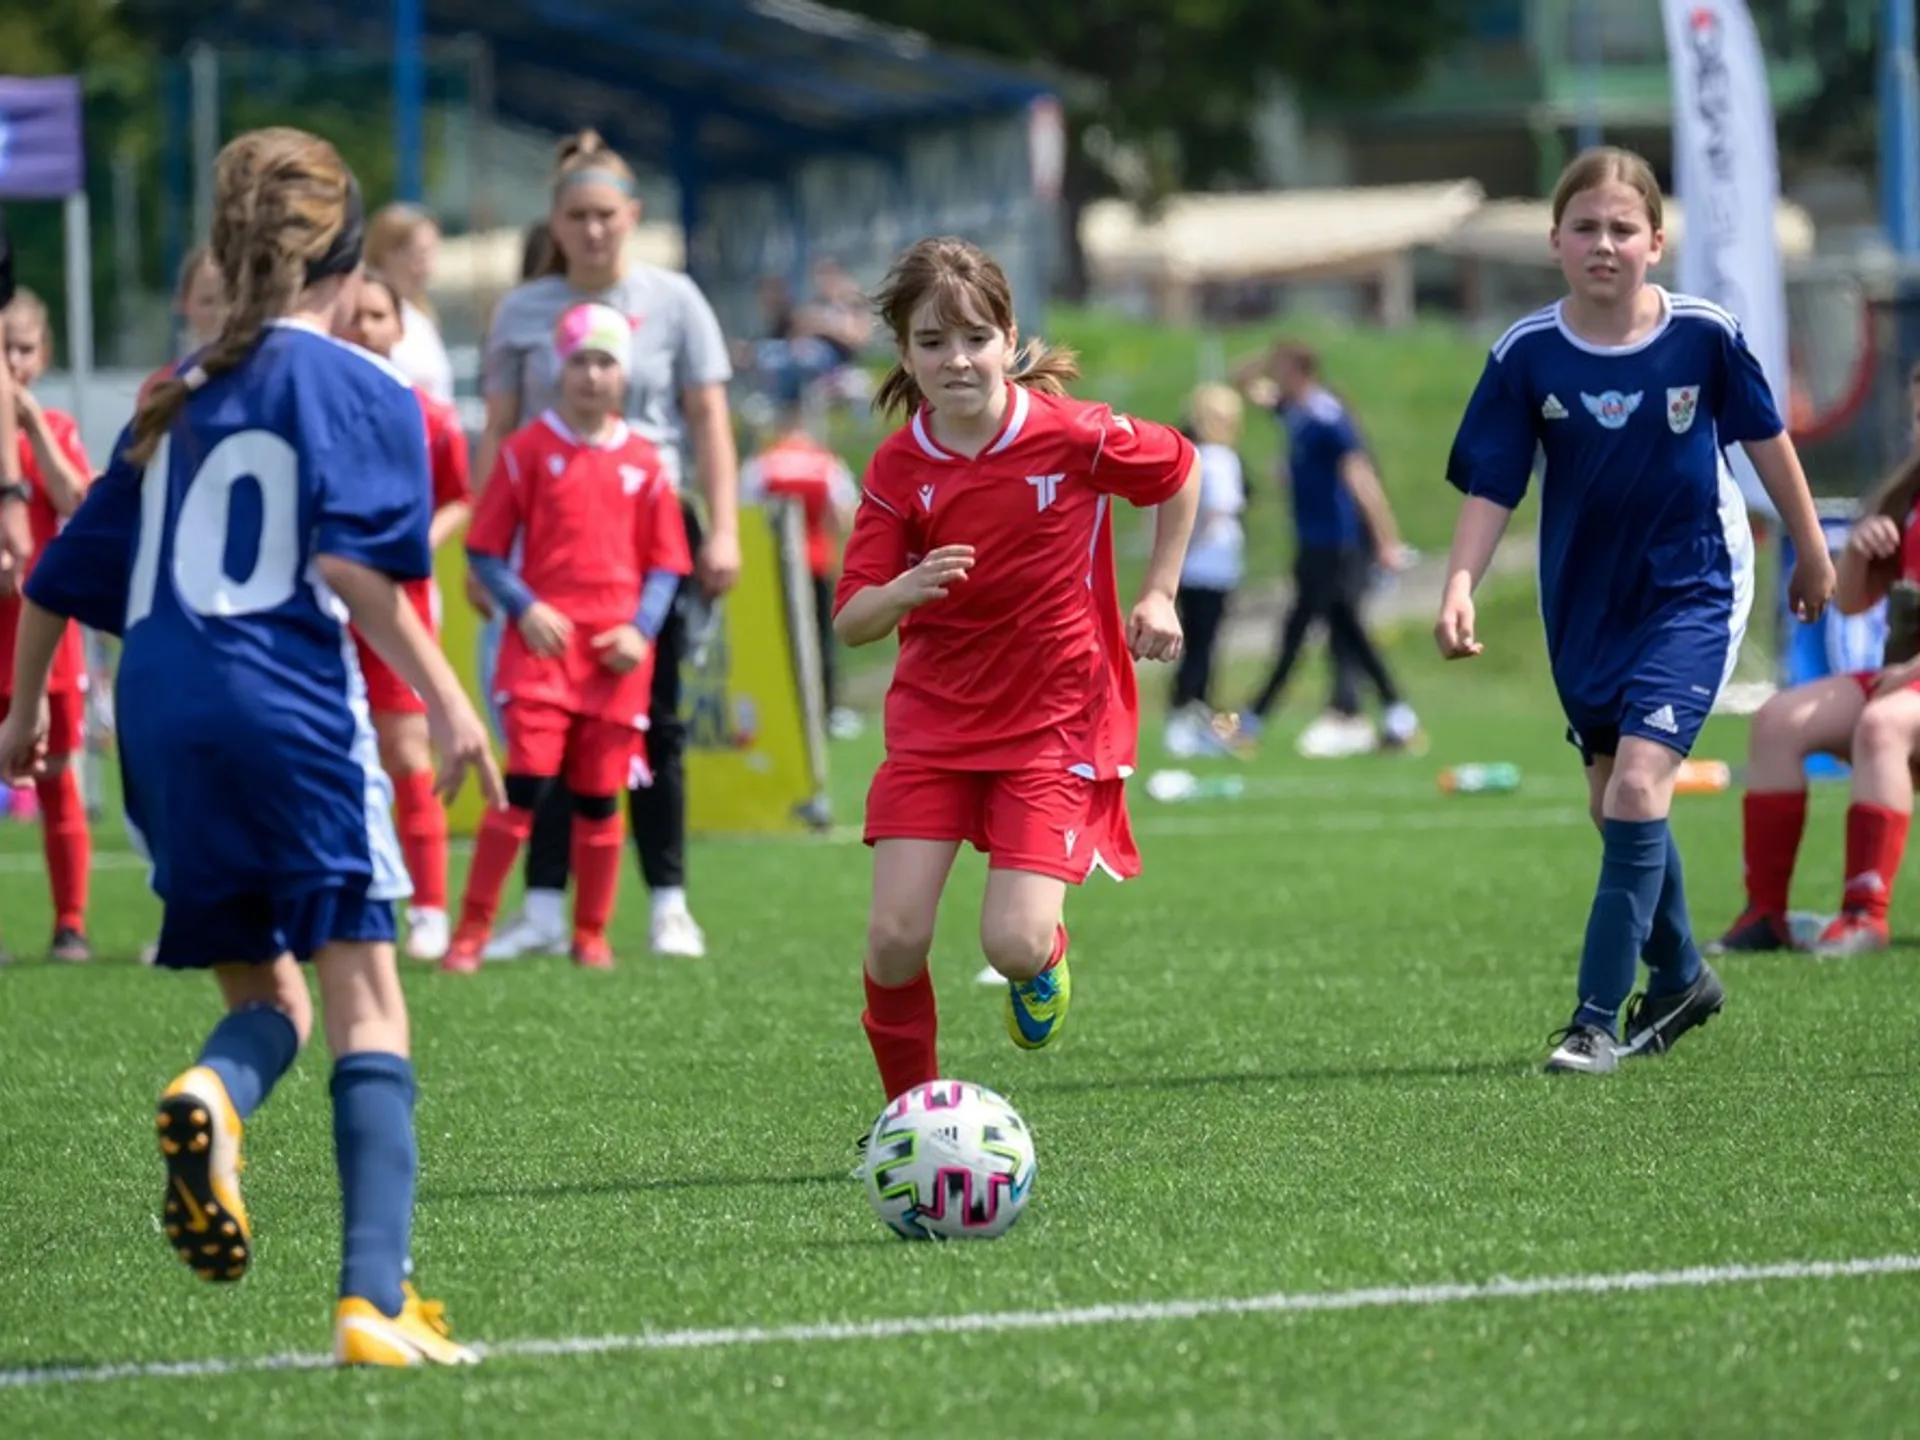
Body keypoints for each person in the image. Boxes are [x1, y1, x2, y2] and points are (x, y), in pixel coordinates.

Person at [0, 127, 500, 1364]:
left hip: (158, 722)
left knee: (264, 993)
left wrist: (21, 716)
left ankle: (213, 1096)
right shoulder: (363, 389)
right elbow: (345, 566)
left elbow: (60, 578)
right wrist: (448, 697)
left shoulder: (173, 395)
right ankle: (375, 1302)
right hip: (284, 706)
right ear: (344, 261)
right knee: (367, 999)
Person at [1436, 145, 1834, 1075]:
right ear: (1555, 242)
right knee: (1609, 801)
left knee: (1637, 789)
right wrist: (1459, 583)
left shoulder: (1702, 334)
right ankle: (1684, 976)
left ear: (1656, 241)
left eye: (1623, 228)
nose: (1604, 243)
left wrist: (1811, 551)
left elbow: (1767, 444)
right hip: (1585, 604)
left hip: (1692, 589)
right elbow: (1494, 484)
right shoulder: (1527, 353)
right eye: (1586, 227)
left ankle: (1593, 1021)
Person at [833, 236, 1199, 1108]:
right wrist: (907, 589)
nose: (955, 360)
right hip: (934, 726)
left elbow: (1183, 468)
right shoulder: (898, 466)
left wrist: (1159, 594)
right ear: (904, 354)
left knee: (1014, 946)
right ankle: (907, 1118)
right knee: (892, 937)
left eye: (972, 338)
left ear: (1009, 337)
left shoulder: (1076, 436)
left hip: (1052, 722)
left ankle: (1047, 961)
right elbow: (850, 622)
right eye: (931, 342)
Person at [476, 129, 739, 963]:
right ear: (554, 221)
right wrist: (488, 551)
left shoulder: (677, 300)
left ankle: (668, 901)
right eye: (577, 216)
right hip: (545, 543)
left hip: (649, 533)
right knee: (545, 726)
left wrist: (724, 528)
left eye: (607, 215)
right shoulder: (520, 312)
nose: (594, 231)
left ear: (632, 216)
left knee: (650, 723)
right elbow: (500, 430)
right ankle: (545, 909)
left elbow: (707, 419)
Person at [449, 303, 693, 972]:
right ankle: (470, 931)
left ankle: (590, 933)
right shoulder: (526, 451)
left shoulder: (645, 462)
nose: (592, 374)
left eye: (606, 361)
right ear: (561, 368)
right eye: (581, 359)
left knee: (597, 797)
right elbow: (485, 550)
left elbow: (668, 561)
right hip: (541, 652)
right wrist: (524, 609)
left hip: (615, 661)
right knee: (523, 786)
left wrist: (641, 630)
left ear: (625, 374)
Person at [1710, 372, 1920, 959]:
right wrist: (1858, 551)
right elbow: (1853, 603)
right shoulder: (1905, 497)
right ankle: (1765, 916)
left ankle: (1863, 916)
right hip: (1905, 681)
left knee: (1884, 724)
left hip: (1908, 690)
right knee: (1778, 719)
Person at [337, 267, 473, 962]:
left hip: (399, 605)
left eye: (376, 316)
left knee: (407, 750)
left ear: (400, 327)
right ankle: (338, 901)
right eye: (350, 314)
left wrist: (423, 540)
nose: (362, 328)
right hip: (323, 607)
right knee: (328, 753)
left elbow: (459, 494)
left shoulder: (430, 415)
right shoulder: (318, 407)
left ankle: (427, 907)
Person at [1229, 342, 1421, 757]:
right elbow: (1245, 382)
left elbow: (1361, 479)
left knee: (1299, 631)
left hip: (1334, 544)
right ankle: (1399, 716)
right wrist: (1262, 359)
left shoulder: (1325, 416)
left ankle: (1251, 721)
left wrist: (1387, 539)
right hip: (1312, 542)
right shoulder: (1295, 411)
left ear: (1300, 370)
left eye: (1282, 369)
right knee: (1348, 631)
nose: (1276, 377)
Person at [0, 288, 94, 961]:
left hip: (46, 637)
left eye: (23, 349)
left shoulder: (55, 428)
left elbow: (77, 503)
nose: (12, 362)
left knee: (58, 773)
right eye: (2, 349)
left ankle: (70, 922)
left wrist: (30, 425)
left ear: (45, 354)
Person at [739, 386, 859, 738]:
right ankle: (827, 711)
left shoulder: (762, 464)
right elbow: (843, 514)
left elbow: (745, 514)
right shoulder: (825, 462)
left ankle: (781, 711)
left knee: (777, 639)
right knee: (821, 637)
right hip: (817, 561)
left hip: (774, 567)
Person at [1164, 383, 1247, 756]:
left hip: (1196, 567)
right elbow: (1217, 511)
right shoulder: (1221, 459)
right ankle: (1189, 717)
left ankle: (1191, 716)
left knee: (1194, 645)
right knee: (1203, 647)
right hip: (1210, 566)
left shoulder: (1192, 455)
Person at [364, 203, 455, 404]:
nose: (430, 265)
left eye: (433, 251)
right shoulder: (364, 316)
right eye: (422, 253)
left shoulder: (421, 316)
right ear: (389, 253)